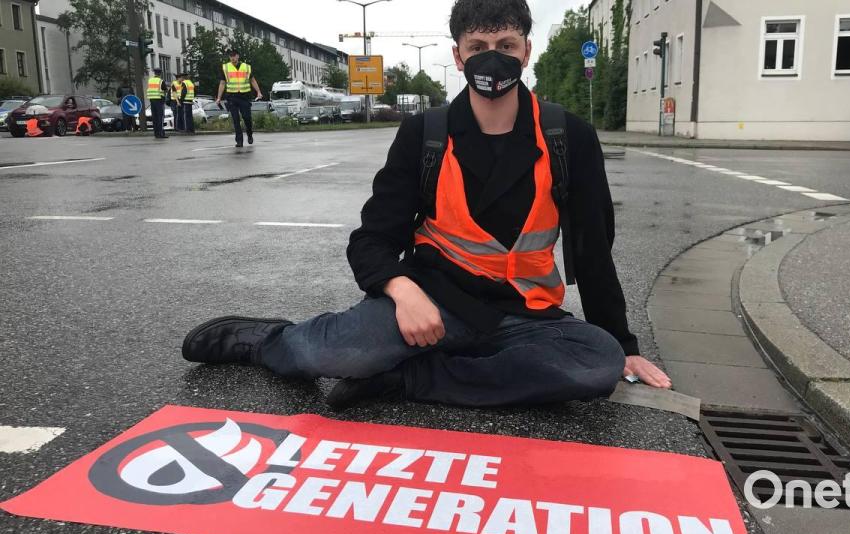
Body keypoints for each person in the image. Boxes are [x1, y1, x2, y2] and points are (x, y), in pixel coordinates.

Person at [182, 0, 672, 410]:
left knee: (596, 365)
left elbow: (593, 249)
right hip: (431, 304)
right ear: (458, 57)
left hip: (524, 316)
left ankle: (406, 380)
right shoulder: (426, 134)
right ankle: (268, 341)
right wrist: (402, 289)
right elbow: (373, 238)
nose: (492, 59)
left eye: (505, 46)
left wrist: (623, 345)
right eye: (478, 48)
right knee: (329, 354)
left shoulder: (569, 137)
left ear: (526, 52)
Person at [216, 49, 263, 148]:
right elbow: (222, 83)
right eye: (231, 56)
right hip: (231, 96)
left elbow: (253, 80)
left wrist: (258, 91)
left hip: (244, 96)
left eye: (234, 55)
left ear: (238, 56)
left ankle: (249, 134)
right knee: (235, 119)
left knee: (247, 118)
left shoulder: (246, 67)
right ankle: (239, 141)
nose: (232, 58)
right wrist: (219, 97)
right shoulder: (226, 68)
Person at [146, 69, 168, 139]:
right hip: (159, 100)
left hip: (152, 100)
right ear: (160, 73)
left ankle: (156, 134)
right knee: (160, 117)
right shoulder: (161, 81)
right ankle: (161, 133)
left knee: (155, 117)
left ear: (155, 73)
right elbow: (165, 89)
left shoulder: (150, 80)